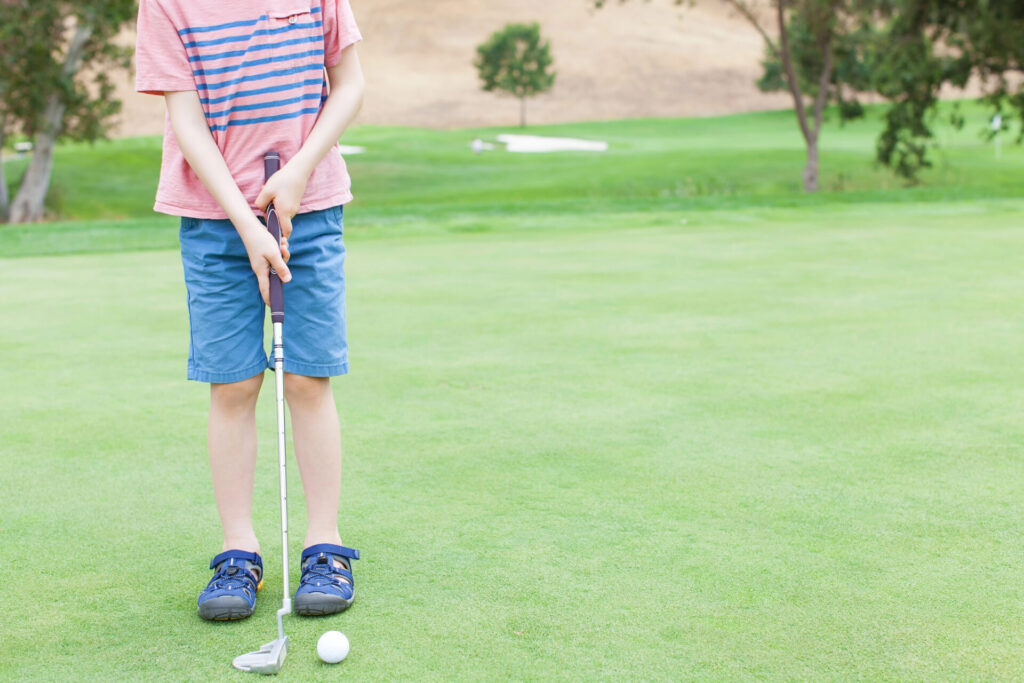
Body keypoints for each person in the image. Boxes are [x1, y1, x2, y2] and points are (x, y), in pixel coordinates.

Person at [134, 0, 365, 621]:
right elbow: (184, 118)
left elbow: (348, 85)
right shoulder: (166, 4)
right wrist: (245, 222)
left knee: (307, 379)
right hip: (214, 220)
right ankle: (239, 551)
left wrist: (298, 173)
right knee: (232, 385)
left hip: (308, 208)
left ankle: (325, 545)